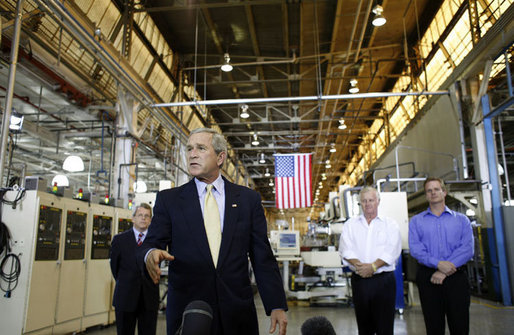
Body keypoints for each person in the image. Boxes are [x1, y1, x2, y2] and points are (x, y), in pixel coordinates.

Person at [139, 127, 288, 335]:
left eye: (201, 148)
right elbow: (151, 243)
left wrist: (276, 304)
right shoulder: (169, 200)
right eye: (189, 149)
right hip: (189, 312)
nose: (192, 154)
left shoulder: (247, 200)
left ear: (220, 157)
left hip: (237, 312)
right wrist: (151, 253)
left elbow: (261, 256)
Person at [409, 177, 474, 335]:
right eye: (429, 191)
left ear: (444, 192)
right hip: (428, 278)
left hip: (456, 278)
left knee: (460, 325)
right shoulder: (416, 221)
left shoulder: (462, 220)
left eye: (436, 189)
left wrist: (444, 269)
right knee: (434, 326)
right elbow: (416, 249)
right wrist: (438, 264)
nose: (433, 193)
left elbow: (467, 249)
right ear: (426, 195)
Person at [339, 186, 402, 335]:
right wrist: (361, 267)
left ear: (378, 201)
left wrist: (373, 267)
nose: (368, 204)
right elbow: (345, 249)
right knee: (364, 327)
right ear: (360, 203)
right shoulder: (350, 225)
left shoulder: (390, 224)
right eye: (364, 201)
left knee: (385, 327)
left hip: (384, 281)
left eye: (371, 200)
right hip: (360, 280)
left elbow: (392, 250)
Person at [110, 203, 159, 335]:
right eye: (140, 215)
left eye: (147, 216)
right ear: (133, 218)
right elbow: (115, 267)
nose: (143, 218)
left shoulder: (156, 241)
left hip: (149, 299)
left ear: (150, 220)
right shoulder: (119, 240)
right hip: (125, 297)